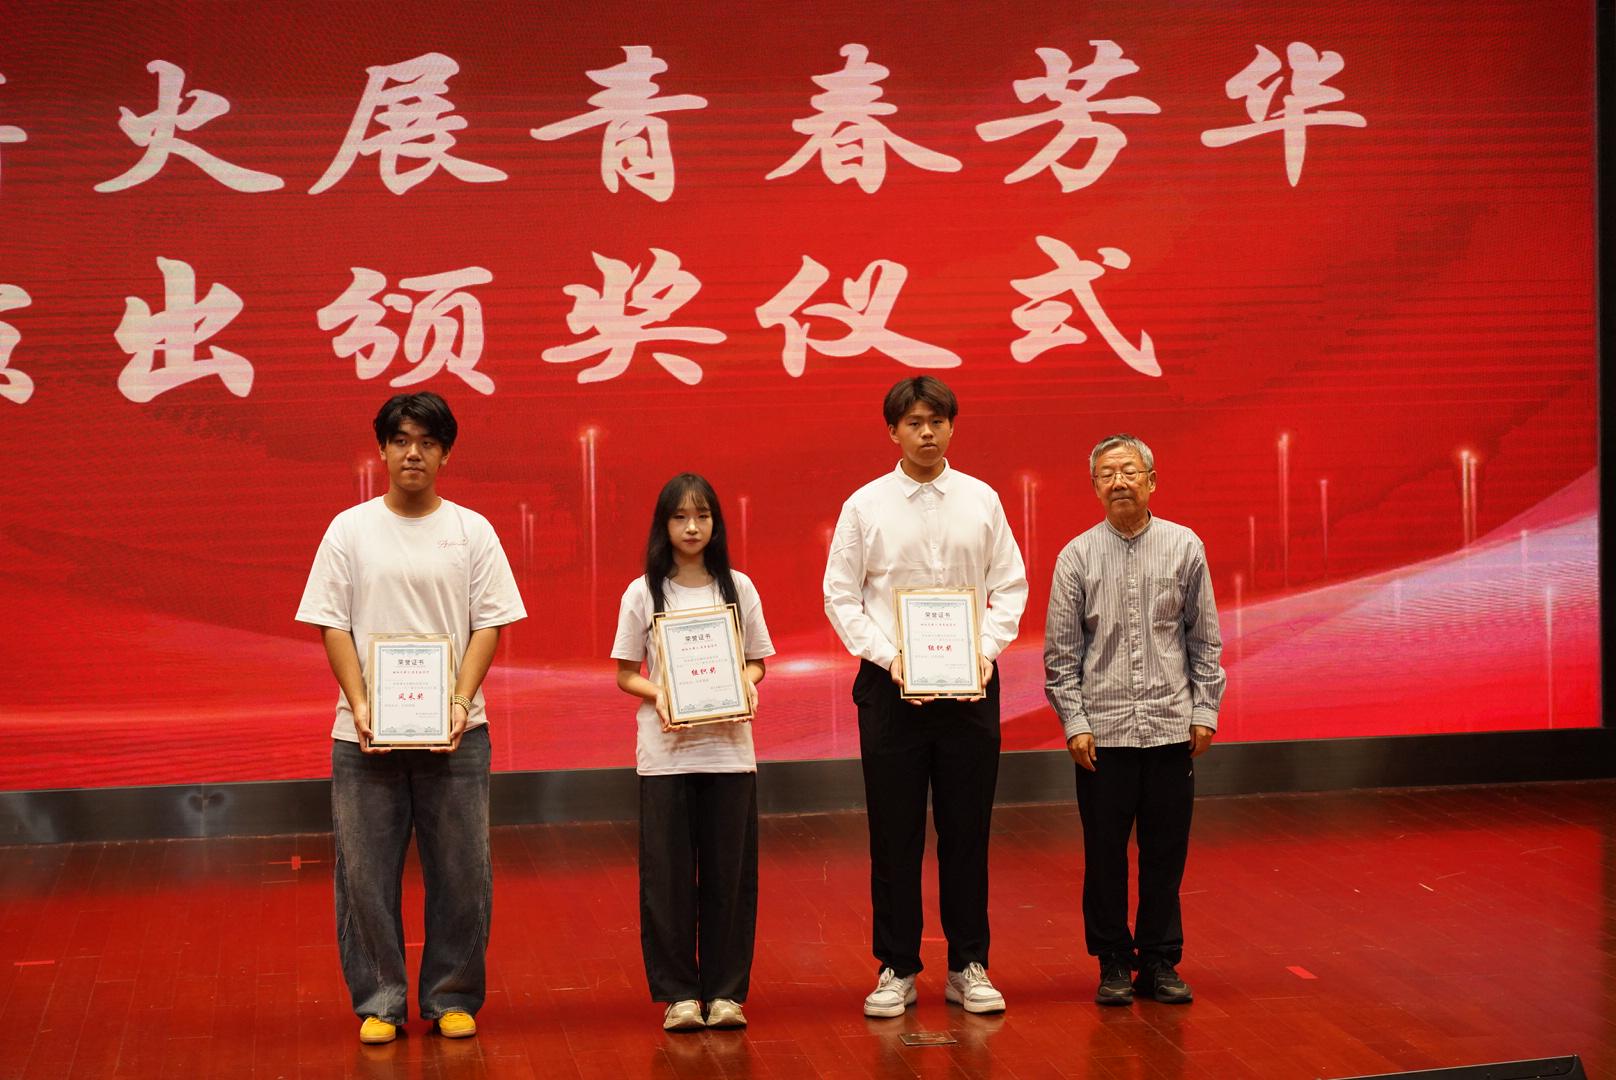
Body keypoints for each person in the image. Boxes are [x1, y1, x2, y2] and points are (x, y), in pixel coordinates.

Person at [295, 392, 526, 1044]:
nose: (413, 453)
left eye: (427, 442)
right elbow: (332, 624)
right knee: (365, 876)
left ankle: (452, 995)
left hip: (456, 733)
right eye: (400, 440)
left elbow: (488, 625)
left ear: (446, 453)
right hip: (364, 735)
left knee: (463, 874)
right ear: (382, 449)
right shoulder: (349, 530)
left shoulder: (472, 532)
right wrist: (362, 704)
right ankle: (381, 1000)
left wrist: (458, 702)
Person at [823, 376, 1028, 1018]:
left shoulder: (982, 499)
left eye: (937, 421)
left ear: (952, 427)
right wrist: (893, 658)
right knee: (895, 834)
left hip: (971, 688)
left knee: (968, 830)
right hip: (890, 690)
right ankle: (897, 967)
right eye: (913, 422)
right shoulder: (865, 505)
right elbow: (840, 595)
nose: (927, 432)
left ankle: (969, 964)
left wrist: (984, 651)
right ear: (892, 431)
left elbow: (1010, 585)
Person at [1043, 433, 1226, 1007]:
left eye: (1129, 471)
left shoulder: (1184, 546)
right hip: (1103, 735)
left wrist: (1205, 708)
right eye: (1107, 474)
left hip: (1171, 727)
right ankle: (1113, 962)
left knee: (1165, 854)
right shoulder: (1076, 557)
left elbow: (1204, 638)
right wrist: (1074, 722)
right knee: (1104, 857)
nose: (1119, 482)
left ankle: (1161, 960)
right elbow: (1061, 655)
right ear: (1094, 486)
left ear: (1152, 480)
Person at [612, 473, 775, 1032]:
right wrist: (663, 692)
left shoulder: (738, 588)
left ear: (715, 523)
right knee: (668, 879)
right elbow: (625, 674)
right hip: (667, 756)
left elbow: (756, 661)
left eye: (702, 515)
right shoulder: (642, 593)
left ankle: (726, 993)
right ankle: (679, 994)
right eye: (680, 517)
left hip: (729, 754)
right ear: (663, 525)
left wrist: (746, 681)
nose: (691, 527)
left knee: (730, 877)